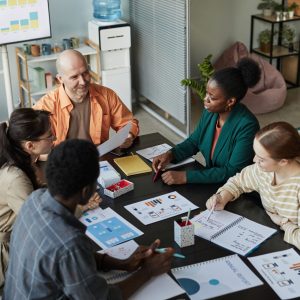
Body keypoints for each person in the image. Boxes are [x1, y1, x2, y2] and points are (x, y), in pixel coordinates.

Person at [3, 139, 174, 299]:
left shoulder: (34, 200)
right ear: (86, 192)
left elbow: (69, 261)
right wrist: (148, 271)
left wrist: (122, 263)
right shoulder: (70, 242)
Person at [152, 57, 261, 185]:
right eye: (207, 93)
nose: (205, 99)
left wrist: (186, 177)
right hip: (214, 183)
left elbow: (233, 171)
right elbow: (194, 141)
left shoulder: (247, 126)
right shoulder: (210, 113)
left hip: (237, 189)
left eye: (212, 97)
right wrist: (170, 154)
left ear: (230, 101)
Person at [206, 122, 300, 249]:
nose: (254, 160)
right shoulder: (263, 170)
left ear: (283, 161)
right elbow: (238, 182)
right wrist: (222, 197)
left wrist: (283, 223)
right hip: (273, 237)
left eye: (261, 159)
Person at [34, 49, 139, 148]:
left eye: (85, 73)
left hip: (98, 157)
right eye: (74, 77)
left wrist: (128, 135)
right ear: (60, 79)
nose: (83, 82)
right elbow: (30, 145)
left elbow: (127, 123)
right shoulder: (44, 106)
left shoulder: (106, 95)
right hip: (62, 161)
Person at [0, 108, 55, 288]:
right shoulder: (15, 176)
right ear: (30, 145)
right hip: (8, 252)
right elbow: (36, 224)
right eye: (49, 136)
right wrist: (77, 207)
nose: (54, 139)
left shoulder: (24, 160)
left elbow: (37, 194)